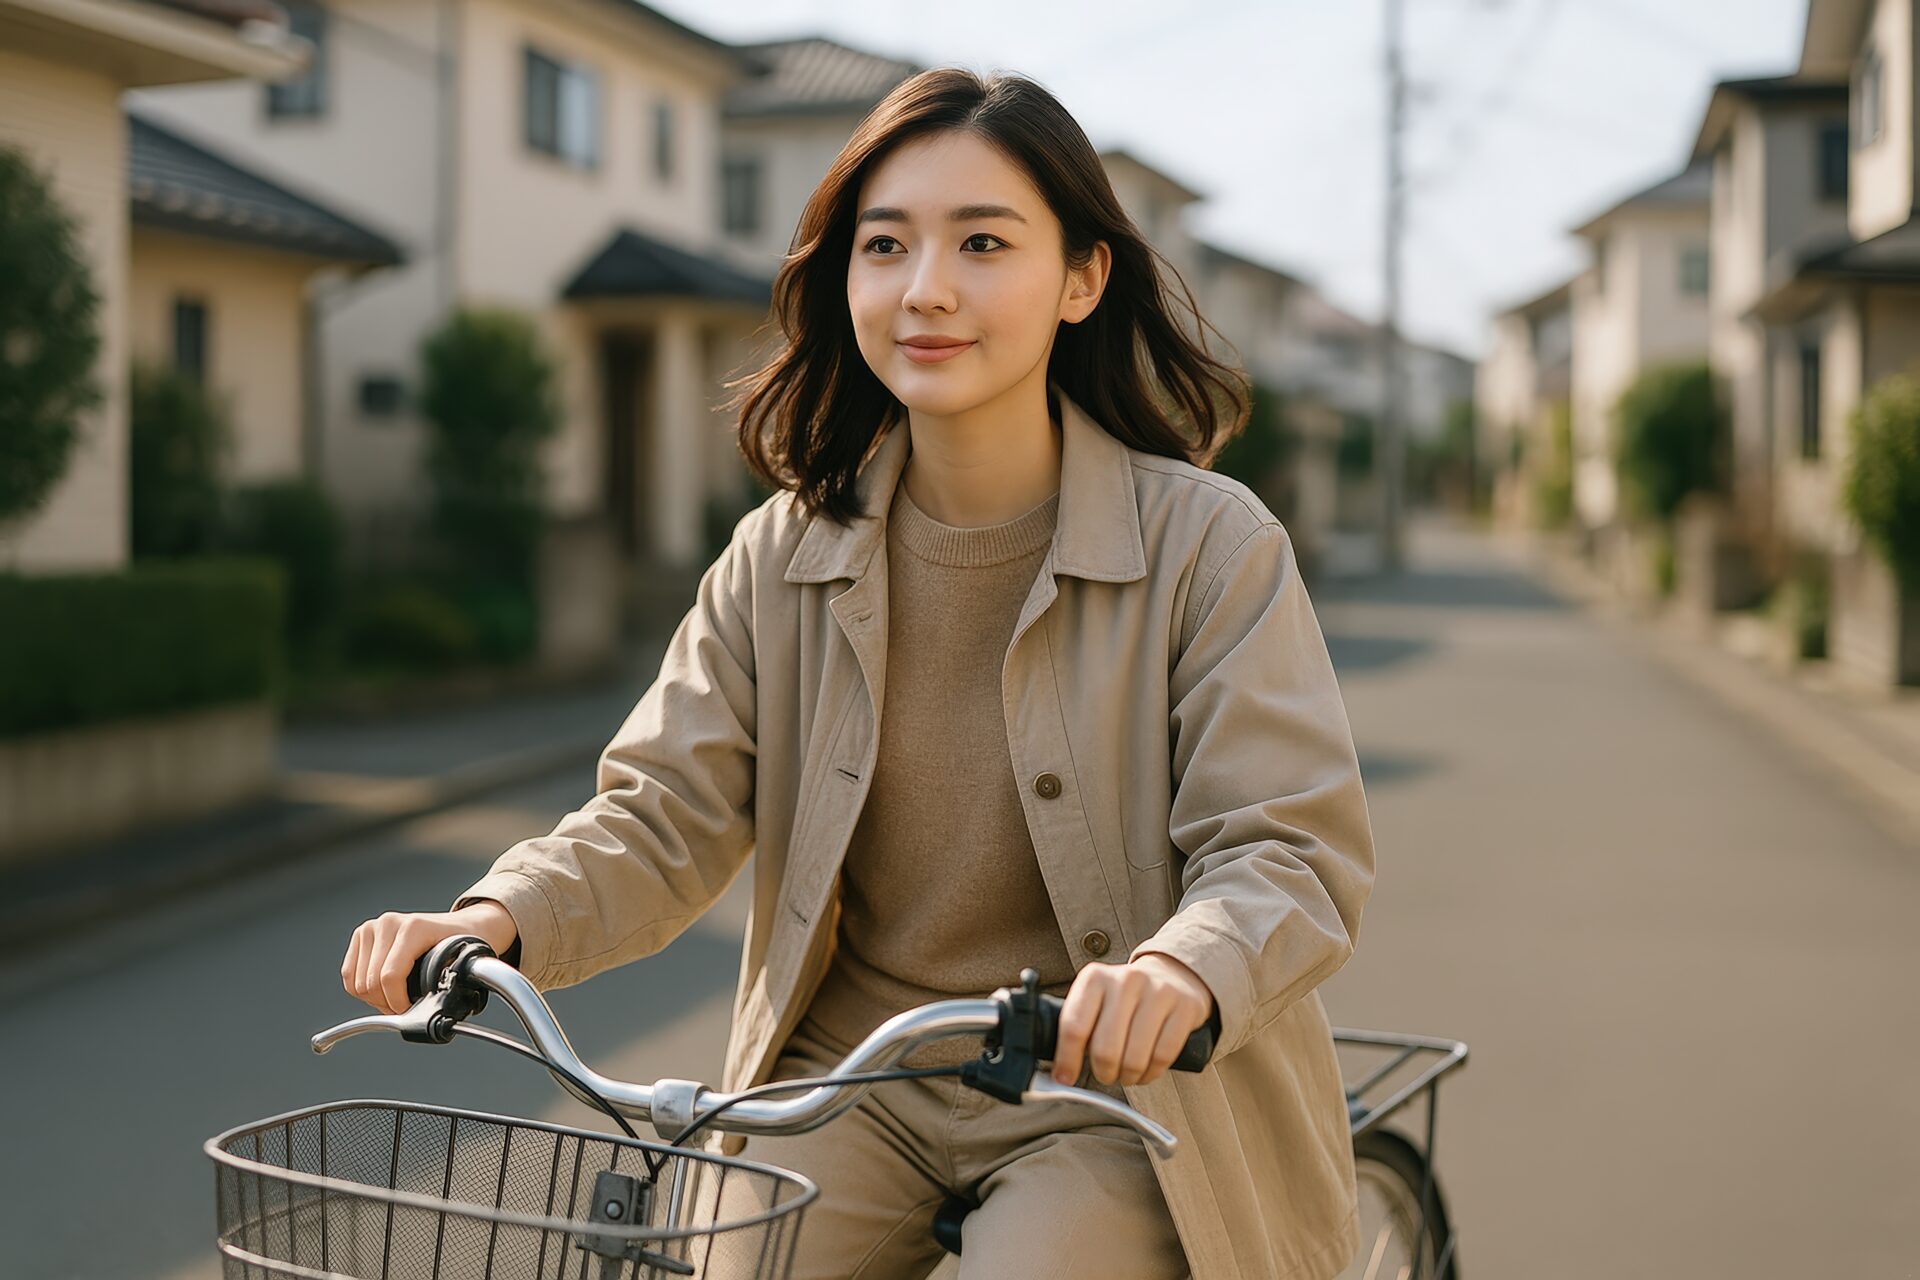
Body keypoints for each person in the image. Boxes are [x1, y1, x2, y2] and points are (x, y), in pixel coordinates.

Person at [341, 67, 1375, 1280]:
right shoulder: (781, 554)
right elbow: (658, 811)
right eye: (885, 245)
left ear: (1084, 278)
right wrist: (495, 916)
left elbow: (1285, 842)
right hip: (857, 1073)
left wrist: (1178, 970)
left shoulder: (1211, 544)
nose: (926, 289)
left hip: (1111, 1091)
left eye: (983, 242)